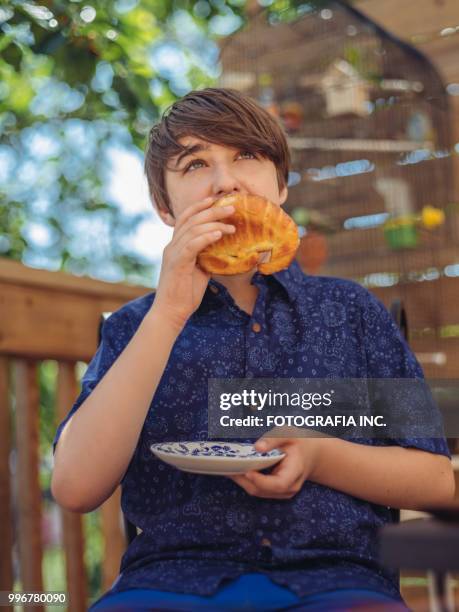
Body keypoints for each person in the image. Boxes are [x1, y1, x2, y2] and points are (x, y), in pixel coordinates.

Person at [51, 88, 455, 611]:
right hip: (170, 584)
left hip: (337, 582)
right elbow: (76, 488)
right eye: (196, 164)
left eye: (246, 156)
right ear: (164, 207)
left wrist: (319, 456)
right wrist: (169, 314)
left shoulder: (349, 313)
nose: (226, 181)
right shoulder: (136, 327)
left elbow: (435, 479)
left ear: (280, 185)